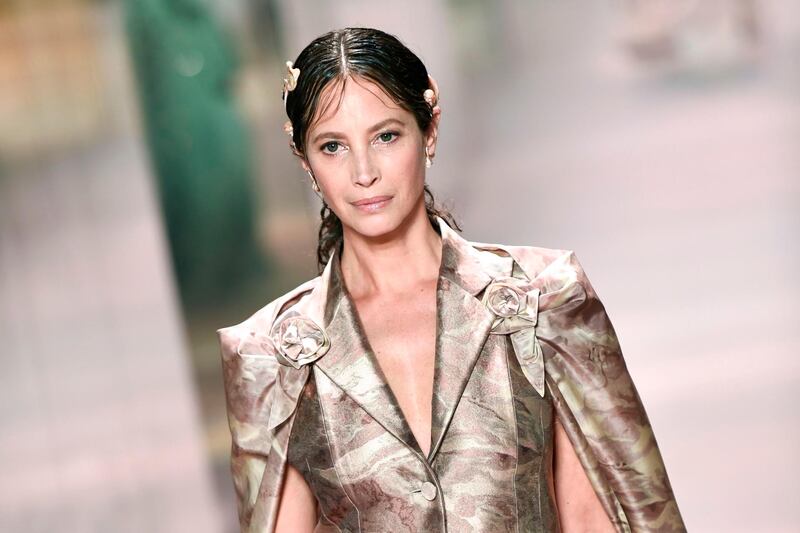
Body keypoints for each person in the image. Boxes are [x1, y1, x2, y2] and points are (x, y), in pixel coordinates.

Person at [217, 27, 686, 533]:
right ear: (305, 161)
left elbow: (595, 518)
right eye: (333, 146)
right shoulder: (272, 357)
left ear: (430, 130)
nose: (364, 171)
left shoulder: (541, 298)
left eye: (386, 136)